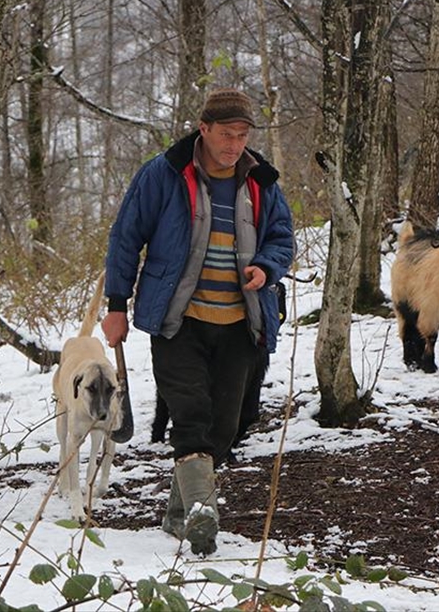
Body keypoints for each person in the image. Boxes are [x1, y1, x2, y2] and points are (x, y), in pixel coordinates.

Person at [102, 88, 295, 555]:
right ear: (203, 129)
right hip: (178, 320)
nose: (234, 145)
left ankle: (178, 513)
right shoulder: (164, 174)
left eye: (242, 136)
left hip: (240, 322)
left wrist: (266, 267)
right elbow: (127, 237)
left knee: (222, 430)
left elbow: (282, 238)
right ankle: (203, 513)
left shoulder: (261, 181)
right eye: (226, 135)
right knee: (189, 416)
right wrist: (115, 305)